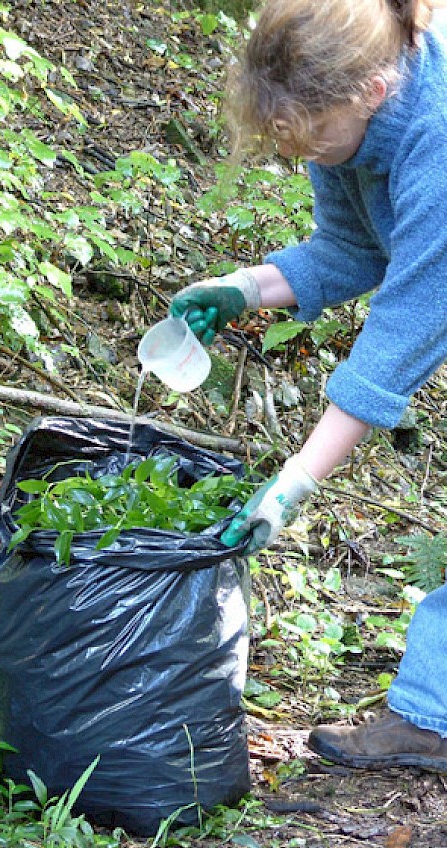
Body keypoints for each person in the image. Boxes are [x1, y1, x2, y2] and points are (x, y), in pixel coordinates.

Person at [170, 0, 447, 770]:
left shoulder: (439, 135)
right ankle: (434, 717)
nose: (304, 156)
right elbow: (348, 252)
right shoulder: (346, 142)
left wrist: (294, 482)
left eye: (310, 136)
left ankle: (433, 715)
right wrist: (241, 289)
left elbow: (402, 334)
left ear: (371, 93)